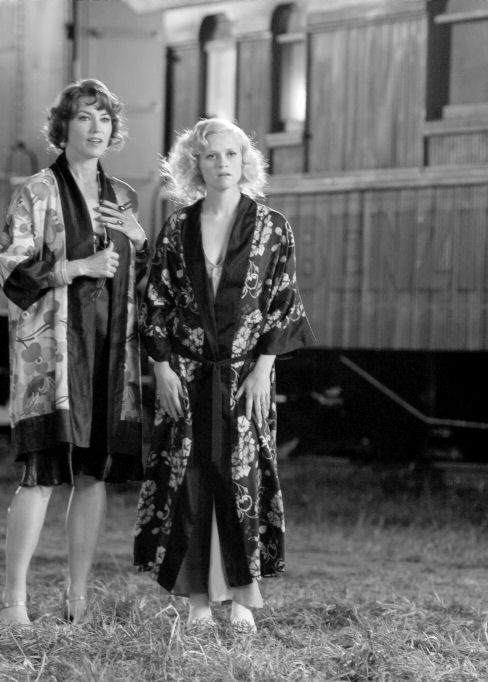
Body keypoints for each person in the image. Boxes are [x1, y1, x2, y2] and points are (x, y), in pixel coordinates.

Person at [135, 118, 315, 633]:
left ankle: (241, 599)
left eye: (231, 154)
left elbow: (283, 302)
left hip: (245, 377)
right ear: (195, 164)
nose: (222, 164)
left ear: (245, 161)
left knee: (243, 478)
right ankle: (197, 601)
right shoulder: (178, 226)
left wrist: (263, 370)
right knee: (189, 481)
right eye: (211, 156)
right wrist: (162, 368)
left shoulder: (273, 227)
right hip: (187, 375)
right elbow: (156, 301)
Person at [0, 79, 147, 626]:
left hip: (109, 354)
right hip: (52, 358)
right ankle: (13, 599)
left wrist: (140, 241)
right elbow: (11, 269)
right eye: (85, 117)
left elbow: (146, 283)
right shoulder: (36, 191)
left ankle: (77, 599)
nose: (96, 127)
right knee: (41, 474)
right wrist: (78, 267)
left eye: (105, 118)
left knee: (93, 475)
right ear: (64, 127)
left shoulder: (123, 197)